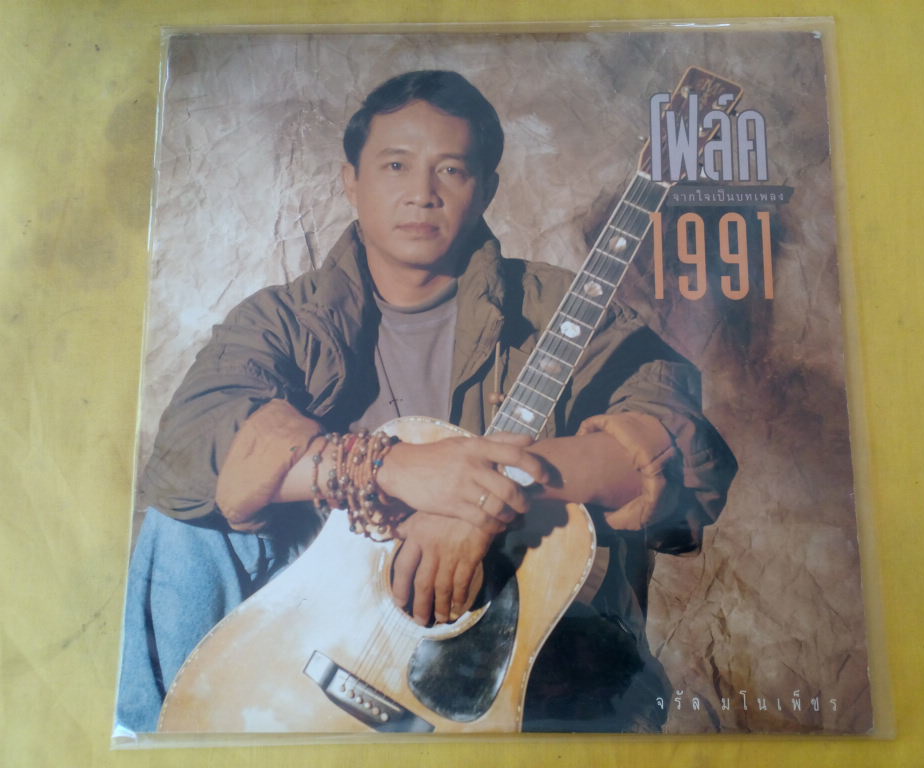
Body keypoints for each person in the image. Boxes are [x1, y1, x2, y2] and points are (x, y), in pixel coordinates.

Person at [115, 70, 737, 735]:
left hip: (516, 649)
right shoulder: (285, 321)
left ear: (486, 189)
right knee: (187, 520)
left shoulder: (566, 308)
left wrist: (479, 500)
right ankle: (160, 742)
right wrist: (394, 468)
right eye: (395, 166)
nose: (421, 194)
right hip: (326, 635)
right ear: (350, 180)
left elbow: (685, 450)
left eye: (451, 170)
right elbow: (191, 448)